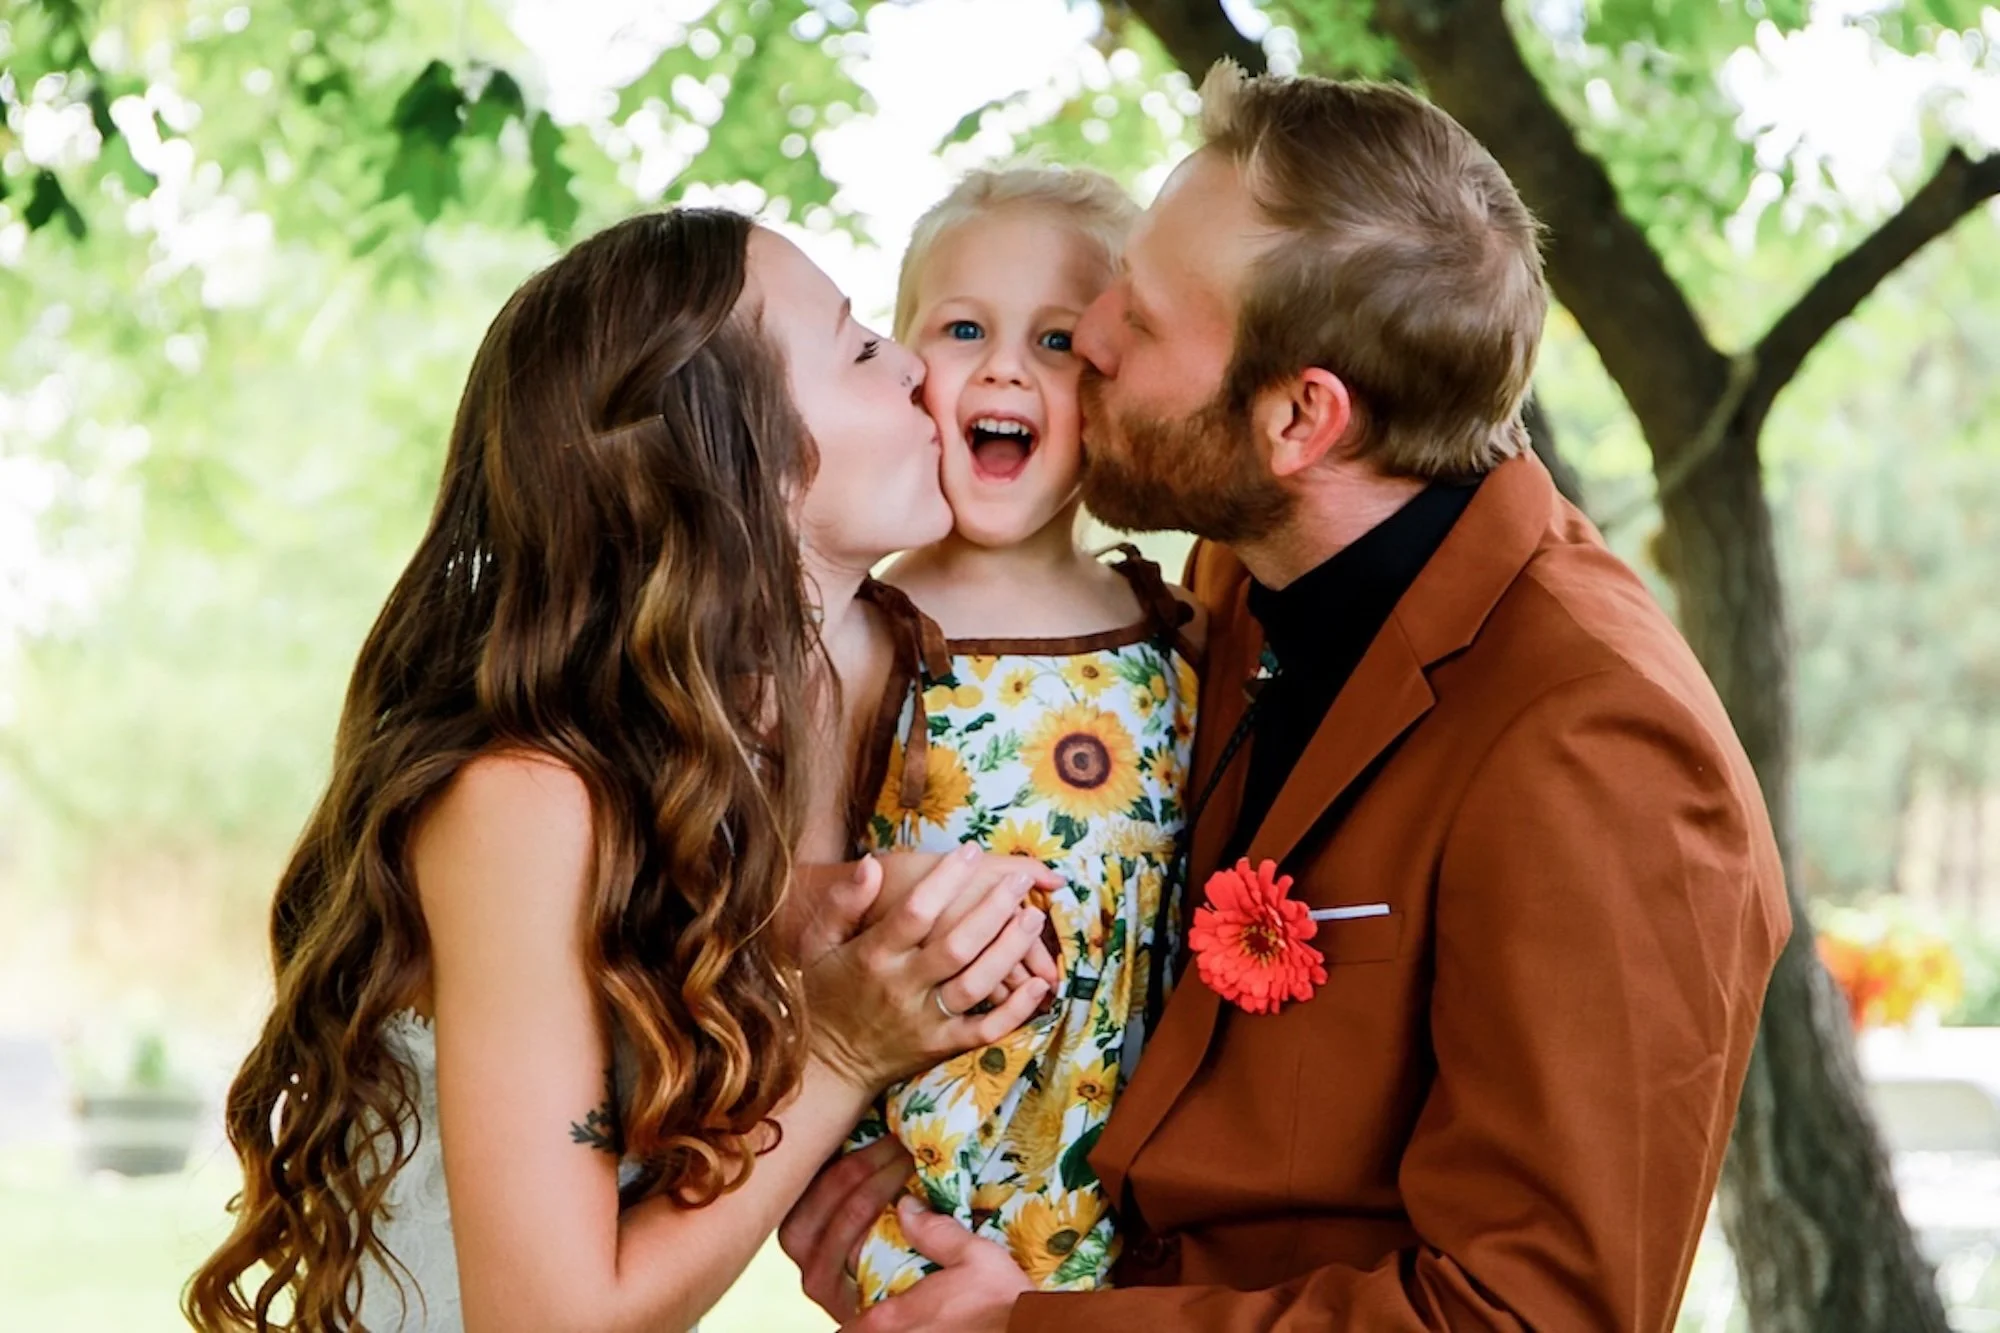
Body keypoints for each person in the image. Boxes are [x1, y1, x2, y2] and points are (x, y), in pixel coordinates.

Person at [781, 64, 1792, 1332]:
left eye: (1134, 324)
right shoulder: (1231, 581)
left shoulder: (1599, 744)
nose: (1085, 338)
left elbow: (1533, 1316)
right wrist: (915, 1239)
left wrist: (1020, 1330)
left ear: (1299, 419)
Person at [182, 207, 1059, 1333]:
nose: (909, 364)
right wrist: (841, 1043)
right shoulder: (525, 801)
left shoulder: (778, 745)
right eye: (854, 346)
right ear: (731, 463)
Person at [838, 167, 1203, 1306]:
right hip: (927, 1212)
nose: (1002, 367)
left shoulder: (1174, 630)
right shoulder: (864, 640)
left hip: (1151, 1209)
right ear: (903, 371)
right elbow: (789, 916)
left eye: (1055, 339)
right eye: (961, 329)